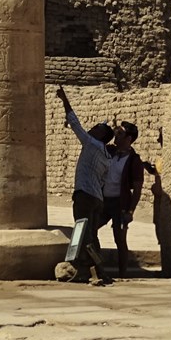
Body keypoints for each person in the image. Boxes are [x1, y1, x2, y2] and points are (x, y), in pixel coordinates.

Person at [56, 85, 113, 276]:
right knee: (92, 235)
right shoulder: (107, 156)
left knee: (83, 233)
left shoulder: (91, 143)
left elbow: (74, 123)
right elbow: (105, 181)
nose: (93, 128)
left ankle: (95, 270)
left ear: (101, 135)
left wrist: (65, 100)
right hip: (97, 198)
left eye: (97, 128)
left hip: (85, 196)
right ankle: (93, 269)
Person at [100, 120, 146, 277]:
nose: (116, 137)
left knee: (119, 240)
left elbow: (138, 189)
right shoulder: (109, 152)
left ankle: (122, 274)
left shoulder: (134, 161)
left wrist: (130, 210)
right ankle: (96, 266)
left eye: (120, 134)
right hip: (104, 201)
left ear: (129, 139)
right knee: (90, 229)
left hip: (120, 204)